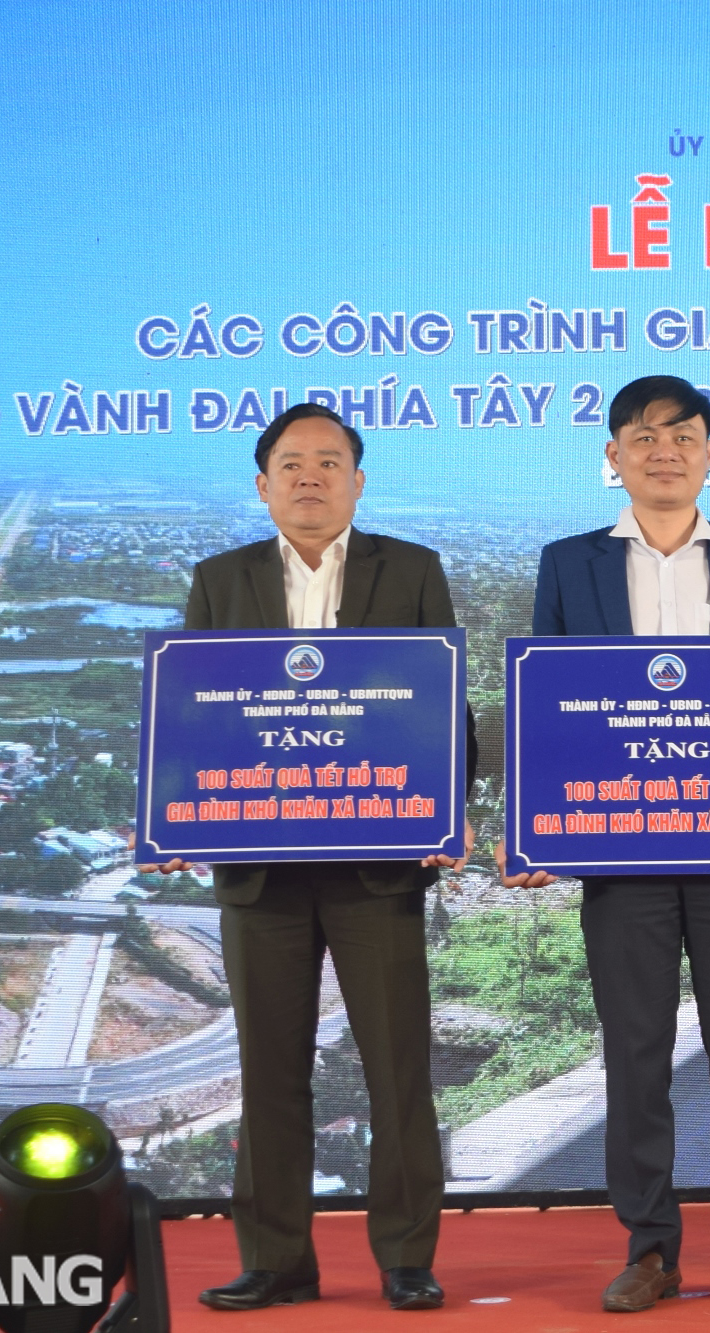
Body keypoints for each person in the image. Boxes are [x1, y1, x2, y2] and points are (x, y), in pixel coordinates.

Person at [498, 375, 710, 1312]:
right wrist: (530, 828)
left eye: (683, 433)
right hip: (620, 857)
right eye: (643, 434)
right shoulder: (571, 564)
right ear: (614, 455)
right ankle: (650, 1247)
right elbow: (548, 708)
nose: (664, 448)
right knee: (635, 1057)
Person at [151, 402, 475, 1313]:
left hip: (378, 864)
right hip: (260, 871)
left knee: (397, 1067)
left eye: (329, 461)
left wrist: (444, 814)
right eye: (290, 462)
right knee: (270, 1068)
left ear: (357, 481)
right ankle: (277, 1258)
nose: (309, 476)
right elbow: (197, 712)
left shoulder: (411, 571)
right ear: (262, 484)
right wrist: (179, 816)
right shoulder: (220, 579)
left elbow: (441, 710)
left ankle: (407, 1256)